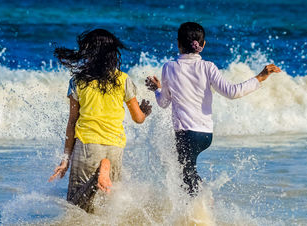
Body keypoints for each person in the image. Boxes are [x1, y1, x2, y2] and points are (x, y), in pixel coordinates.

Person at [146, 22, 280, 196]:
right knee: (187, 174)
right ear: (203, 45)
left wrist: (157, 89)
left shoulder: (169, 67)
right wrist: (260, 77)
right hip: (205, 135)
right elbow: (233, 92)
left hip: (185, 135)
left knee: (185, 177)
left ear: (178, 43)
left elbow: (164, 103)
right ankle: (200, 205)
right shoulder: (208, 67)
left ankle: (202, 205)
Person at [49, 29, 152, 212]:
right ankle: (104, 167)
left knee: (77, 208)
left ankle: (100, 169)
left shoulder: (78, 81)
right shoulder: (123, 79)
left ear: (89, 52)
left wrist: (65, 159)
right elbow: (138, 118)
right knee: (107, 208)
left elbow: (72, 122)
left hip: (88, 146)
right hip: (115, 147)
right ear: (113, 53)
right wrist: (144, 111)